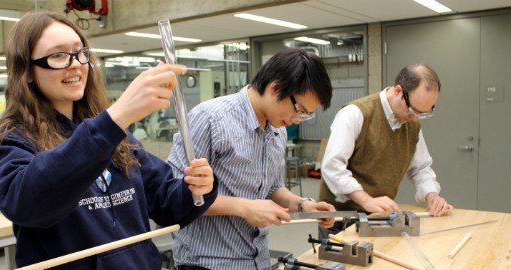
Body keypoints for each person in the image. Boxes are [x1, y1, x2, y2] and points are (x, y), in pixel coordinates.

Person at [0, 12, 218, 269]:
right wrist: (114, 119)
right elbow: (26, 202)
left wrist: (195, 189)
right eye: (58, 55)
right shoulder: (10, 140)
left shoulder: (116, 136)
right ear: (26, 71)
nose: (75, 64)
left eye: (79, 52)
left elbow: (165, 202)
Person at [168, 48, 336, 270]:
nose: (298, 120)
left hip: (257, 260)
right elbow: (176, 196)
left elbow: (272, 188)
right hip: (207, 263)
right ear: (275, 88)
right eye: (298, 110)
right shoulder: (210, 119)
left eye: (306, 115)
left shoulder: (278, 130)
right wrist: (245, 208)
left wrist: (303, 205)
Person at [318, 64, 453, 235]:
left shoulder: (412, 123)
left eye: (424, 113)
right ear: (398, 91)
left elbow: (420, 168)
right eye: (413, 110)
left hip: (379, 216)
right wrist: (365, 200)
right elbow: (332, 166)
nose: (415, 118)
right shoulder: (356, 113)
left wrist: (432, 196)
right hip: (340, 218)